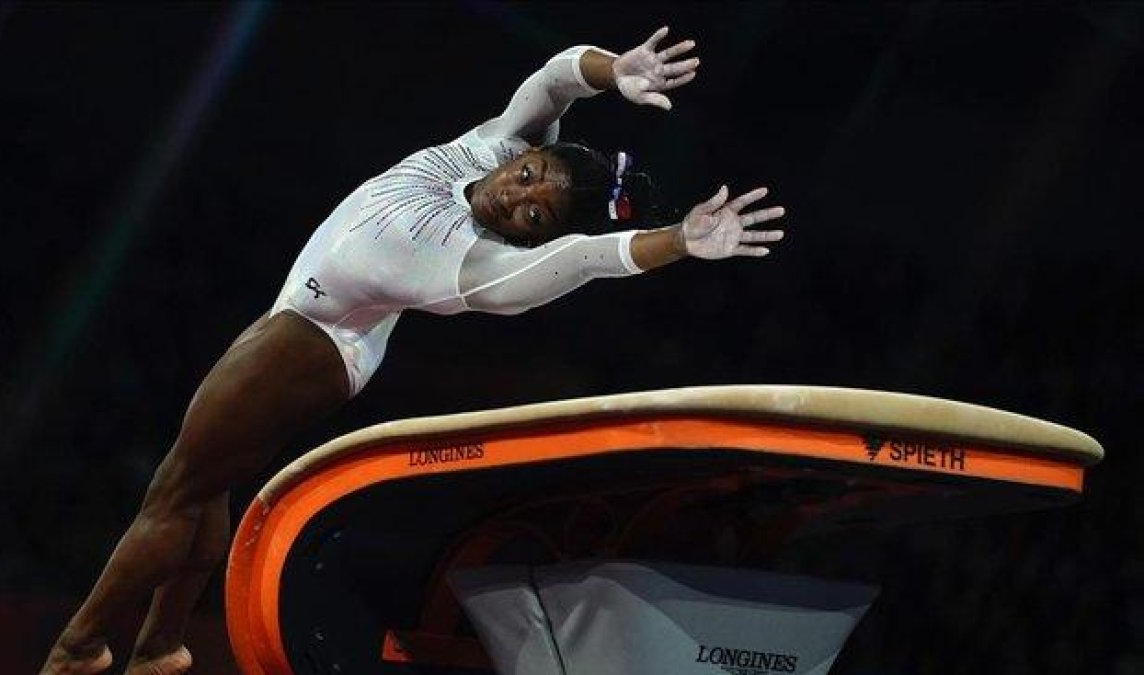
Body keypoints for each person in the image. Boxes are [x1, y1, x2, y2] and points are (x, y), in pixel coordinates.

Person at [40, 25, 786, 675]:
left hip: (317, 340)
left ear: (533, 237)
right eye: (529, 176)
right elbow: (553, 80)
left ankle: (80, 646)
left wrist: (681, 242)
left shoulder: (477, 268)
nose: (516, 193)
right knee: (201, 489)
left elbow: (590, 256)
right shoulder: (487, 148)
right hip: (308, 315)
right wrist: (612, 70)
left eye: (534, 214)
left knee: (173, 490)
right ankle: (157, 644)